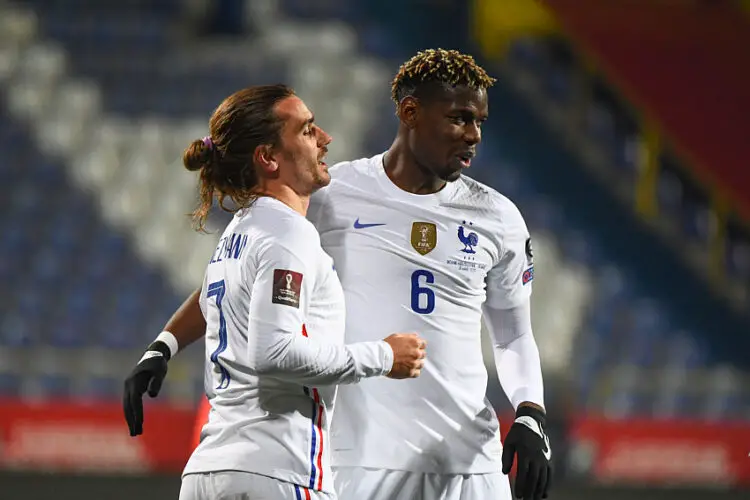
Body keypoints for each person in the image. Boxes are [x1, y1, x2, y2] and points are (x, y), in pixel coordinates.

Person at [124, 49, 552, 500]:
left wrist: (530, 412)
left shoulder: (498, 218)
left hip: (469, 462)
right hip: (358, 460)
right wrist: (165, 344)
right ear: (410, 112)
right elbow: (242, 278)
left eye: (479, 122)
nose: (473, 136)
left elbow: (513, 336)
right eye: (459, 119)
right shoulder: (332, 194)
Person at [123, 84, 428, 500]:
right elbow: (275, 353)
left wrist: (162, 346)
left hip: (209, 472)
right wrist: (384, 356)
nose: (325, 138)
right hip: (276, 470)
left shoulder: (239, 233)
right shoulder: (288, 234)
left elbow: (215, 294)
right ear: (267, 158)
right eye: (306, 130)